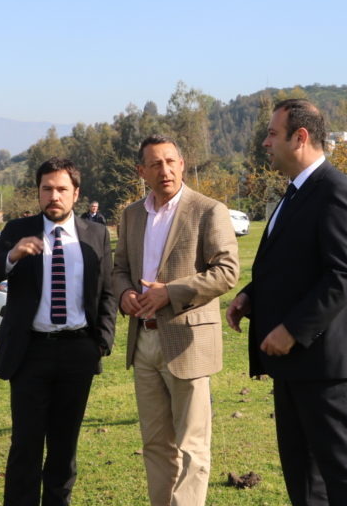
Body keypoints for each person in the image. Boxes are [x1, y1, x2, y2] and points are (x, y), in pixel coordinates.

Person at [225, 99, 347, 506]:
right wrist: (250, 296)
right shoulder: (296, 193)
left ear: (301, 137)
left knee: (344, 478)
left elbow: (344, 274)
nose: (265, 142)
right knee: (304, 479)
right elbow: (294, 266)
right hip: (295, 367)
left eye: (273, 134)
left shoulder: (335, 192)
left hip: (329, 367)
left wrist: (293, 329)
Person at [0, 157, 117, 506]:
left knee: (64, 450)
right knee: (25, 447)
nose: (54, 196)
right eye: (47, 189)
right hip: (30, 354)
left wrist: (102, 342)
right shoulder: (16, 230)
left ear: (76, 193)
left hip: (78, 352)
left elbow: (107, 290)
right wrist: (11, 258)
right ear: (38, 192)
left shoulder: (95, 233)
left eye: (62, 189)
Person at [113, 135, 239, 506]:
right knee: (155, 445)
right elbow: (119, 269)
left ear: (182, 164)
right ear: (142, 172)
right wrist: (124, 296)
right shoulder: (131, 215)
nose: (164, 170)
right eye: (155, 164)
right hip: (144, 343)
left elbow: (227, 272)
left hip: (187, 343)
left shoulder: (208, 210)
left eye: (171, 162)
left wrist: (172, 292)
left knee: (192, 447)